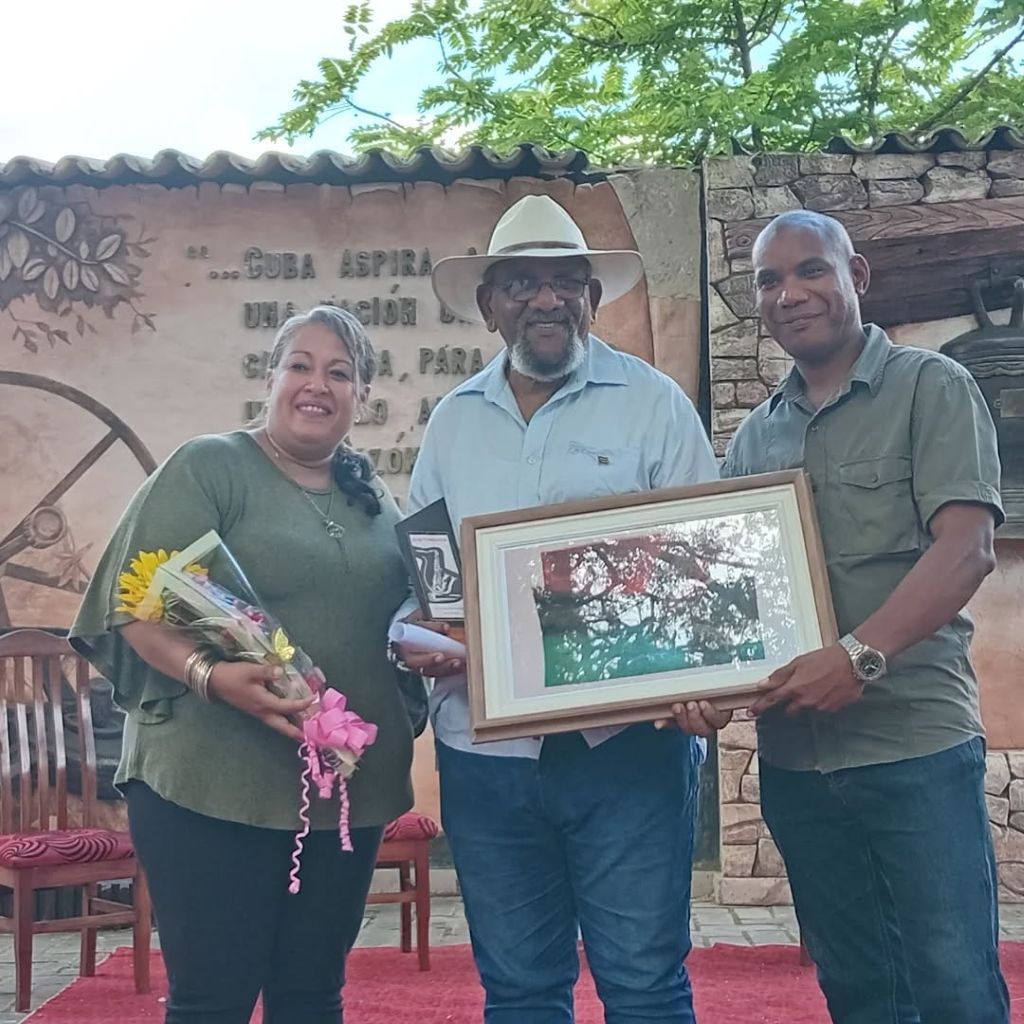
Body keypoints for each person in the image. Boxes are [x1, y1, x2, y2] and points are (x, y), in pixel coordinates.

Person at [393, 194, 720, 1023]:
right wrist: (423, 636)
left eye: (566, 282)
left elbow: (705, 575)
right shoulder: (452, 425)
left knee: (644, 984)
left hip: (628, 754)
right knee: (519, 991)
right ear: (489, 304)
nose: (547, 300)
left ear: (592, 297)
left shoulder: (656, 408)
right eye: (523, 284)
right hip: (485, 755)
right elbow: (432, 583)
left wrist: (700, 674)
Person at [70, 306, 415, 1024]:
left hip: (337, 801)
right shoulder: (211, 465)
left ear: (364, 397)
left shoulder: (370, 497)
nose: (317, 385)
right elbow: (133, 603)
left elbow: (393, 617)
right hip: (209, 786)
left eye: (340, 373)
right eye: (301, 365)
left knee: (312, 997)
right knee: (212, 1001)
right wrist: (211, 677)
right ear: (271, 376)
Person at [719, 209, 1010, 1024]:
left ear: (858, 277)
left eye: (810, 269)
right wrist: (706, 682)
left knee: (953, 982)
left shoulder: (933, 387)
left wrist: (858, 657)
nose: (789, 293)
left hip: (915, 748)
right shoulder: (753, 441)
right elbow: (740, 600)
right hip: (798, 765)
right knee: (856, 989)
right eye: (769, 281)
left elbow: (966, 549)